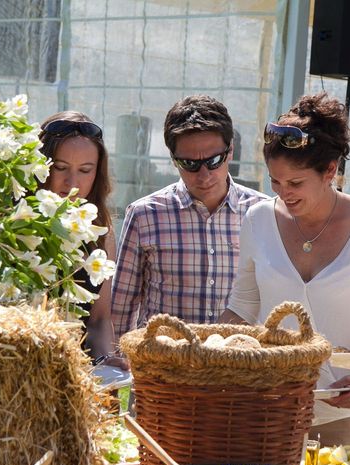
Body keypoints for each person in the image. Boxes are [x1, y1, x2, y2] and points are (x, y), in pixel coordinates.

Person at [218, 92, 350, 448]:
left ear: (330, 171)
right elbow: (243, 307)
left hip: (348, 415)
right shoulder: (258, 219)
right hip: (267, 408)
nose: (283, 193)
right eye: (275, 182)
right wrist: (210, 347)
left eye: (295, 183)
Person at [111, 95, 267, 337]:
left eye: (214, 161)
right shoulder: (145, 215)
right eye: (190, 164)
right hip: (164, 365)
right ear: (173, 160)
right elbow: (121, 309)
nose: (204, 175)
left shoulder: (263, 214)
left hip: (240, 366)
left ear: (231, 151)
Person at [39, 111, 128, 370]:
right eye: (60, 168)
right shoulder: (14, 224)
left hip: (73, 372)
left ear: (98, 173)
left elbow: (98, 319)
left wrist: (104, 360)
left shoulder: (100, 230)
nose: (72, 183)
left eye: (85, 170)